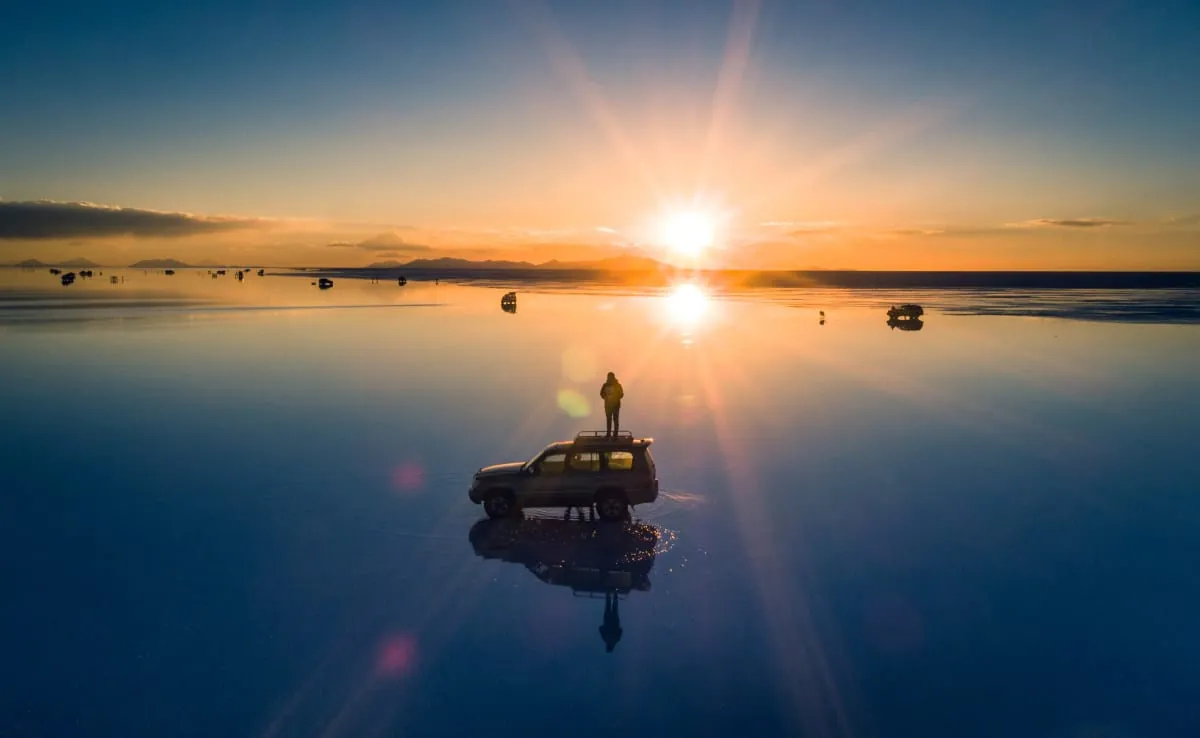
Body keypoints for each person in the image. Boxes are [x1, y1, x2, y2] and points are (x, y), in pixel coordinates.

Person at [599, 372, 624, 437]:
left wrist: (615, 397)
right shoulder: (605, 385)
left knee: (615, 420)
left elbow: (621, 394)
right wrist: (606, 397)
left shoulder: (617, 385)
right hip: (608, 406)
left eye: (610, 377)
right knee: (609, 420)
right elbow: (601, 394)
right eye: (608, 377)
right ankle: (608, 434)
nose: (609, 378)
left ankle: (615, 435)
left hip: (615, 405)